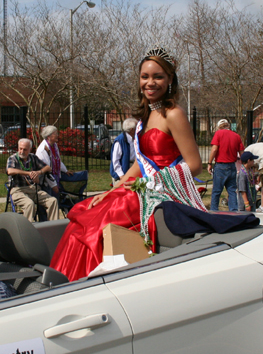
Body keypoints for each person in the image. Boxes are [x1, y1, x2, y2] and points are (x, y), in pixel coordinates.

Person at [50, 47, 203, 281]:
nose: (150, 82)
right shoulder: (146, 116)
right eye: (145, 77)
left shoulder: (174, 114)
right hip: (140, 187)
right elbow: (141, 162)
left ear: (170, 80)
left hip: (161, 192)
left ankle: (84, 285)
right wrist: (113, 190)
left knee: (94, 226)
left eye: (158, 76)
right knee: (83, 213)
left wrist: (149, 182)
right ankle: (64, 284)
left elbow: (194, 165)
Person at [6, 138, 61, 222]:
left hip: (34, 189)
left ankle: (53, 227)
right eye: (20, 148)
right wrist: (28, 173)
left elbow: (48, 167)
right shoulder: (13, 158)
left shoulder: (33, 157)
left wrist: (38, 172)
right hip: (18, 190)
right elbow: (10, 171)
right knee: (29, 204)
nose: (22, 151)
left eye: (25, 149)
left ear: (30, 149)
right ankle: (28, 230)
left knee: (52, 201)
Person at [36, 126, 87, 195]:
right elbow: (47, 170)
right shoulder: (43, 150)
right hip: (46, 182)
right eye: (55, 134)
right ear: (49, 137)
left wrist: (65, 170)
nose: (58, 135)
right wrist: (53, 185)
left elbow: (57, 160)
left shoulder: (54, 145)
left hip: (54, 177)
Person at [207, 119, 243, 211]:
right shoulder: (236, 136)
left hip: (221, 166)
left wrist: (209, 163)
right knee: (232, 191)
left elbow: (214, 149)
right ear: (228, 126)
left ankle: (214, 211)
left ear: (219, 127)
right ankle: (234, 211)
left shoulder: (218, 134)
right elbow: (242, 152)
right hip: (232, 166)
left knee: (216, 191)